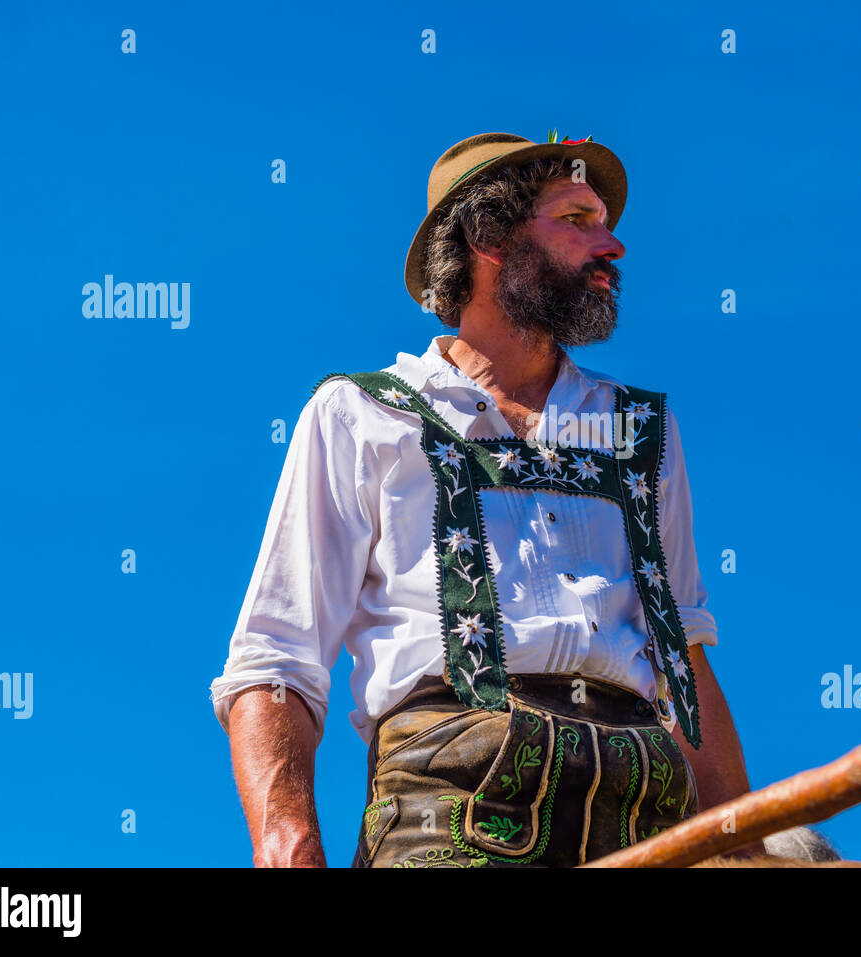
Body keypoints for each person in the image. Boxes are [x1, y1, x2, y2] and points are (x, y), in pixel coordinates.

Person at [210, 130, 757, 867]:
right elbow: (276, 659)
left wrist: (744, 845)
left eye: (606, 220)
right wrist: (290, 850)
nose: (613, 245)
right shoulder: (361, 414)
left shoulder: (639, 431)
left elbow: (682, 657)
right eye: (577, 219)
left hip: (644, 816)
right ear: (488, 236)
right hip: (452, 811)